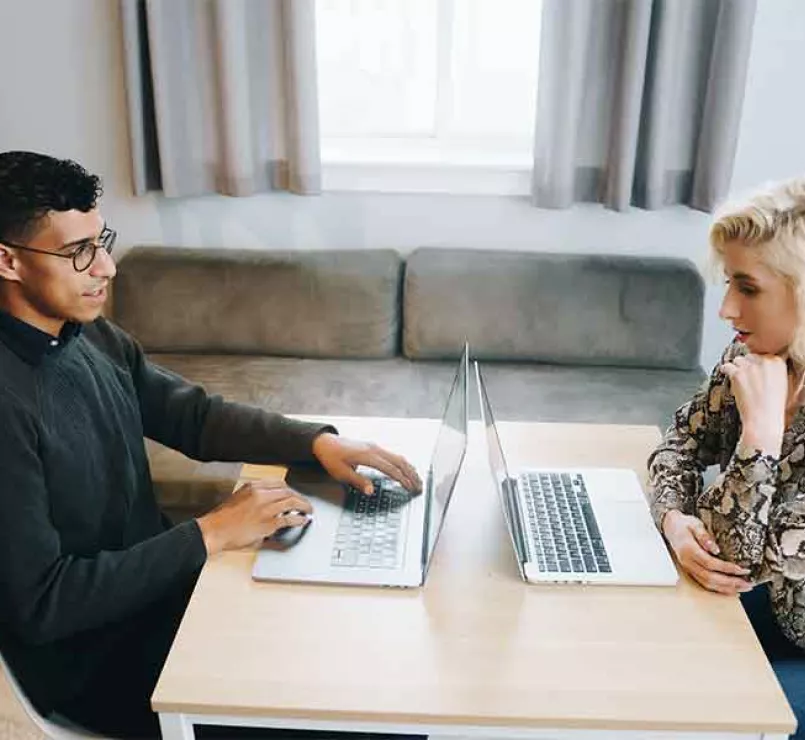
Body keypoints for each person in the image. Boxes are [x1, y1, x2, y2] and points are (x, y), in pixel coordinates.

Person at [0, 151, 422, 739]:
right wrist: (213, 531)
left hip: (167, 599)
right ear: (8, 261)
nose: (107, 268)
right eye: (78, 253)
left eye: (103, 242)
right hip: (103, 664)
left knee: (367, 652)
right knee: (365, 723)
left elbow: (191, 417)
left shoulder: (86, 332)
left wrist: (316, 442)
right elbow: (45, 605)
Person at [648, 177, 805, 738]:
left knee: (702, 718)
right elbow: (679, 442)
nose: (727, 309)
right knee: (643, 649)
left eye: (748, 288)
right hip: (782, 610)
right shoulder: (752, 351)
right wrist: (673, 519)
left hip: (796, 636)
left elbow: (734, 560)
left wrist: (760, 435)